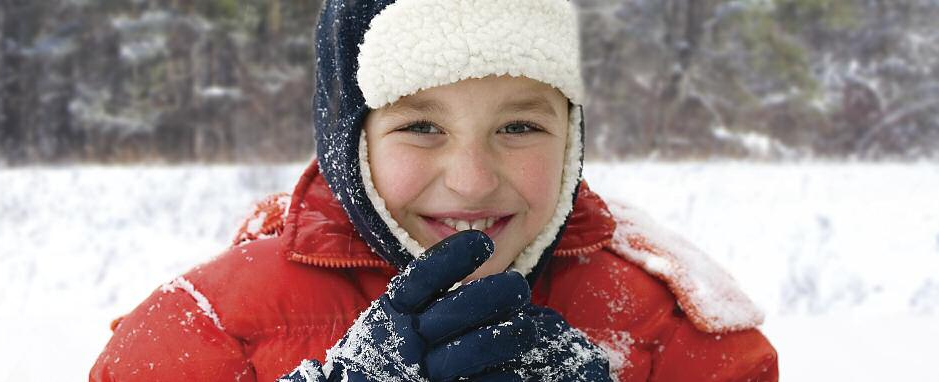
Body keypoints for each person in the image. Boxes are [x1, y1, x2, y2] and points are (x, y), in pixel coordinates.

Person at [89, 0, 779, 380]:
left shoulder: (678, 336)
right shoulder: (207, 331)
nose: (473, 179)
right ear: (347, 138)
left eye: (517, 125)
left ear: (570, 138)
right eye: (420, 126)